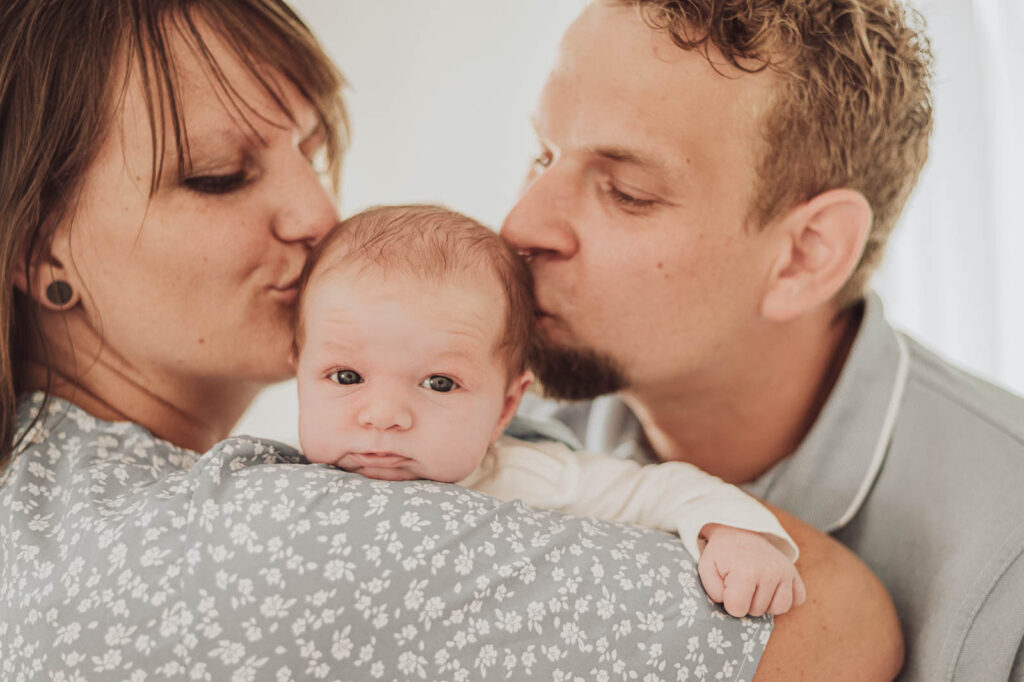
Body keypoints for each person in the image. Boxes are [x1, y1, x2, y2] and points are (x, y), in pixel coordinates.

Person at [0, 0, 902, 679]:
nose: (316, 211)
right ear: (39, 250)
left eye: (310, 151)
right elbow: (834, 628)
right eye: (217, 176)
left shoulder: (43, 509)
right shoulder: (281, 532)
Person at [502, 1, 1024, 681]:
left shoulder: (1007, 562)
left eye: (628, 192)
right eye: (542, 155)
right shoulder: (479, 436)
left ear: (805, 256)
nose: (519, 225)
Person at [293, 204, 805, 619]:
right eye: (346, 377)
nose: (383, 415)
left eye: (440, 383)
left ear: (505, 407)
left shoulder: (528, 477)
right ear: (299, 375)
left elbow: (661, 490)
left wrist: (735, 534)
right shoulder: (276, 485)